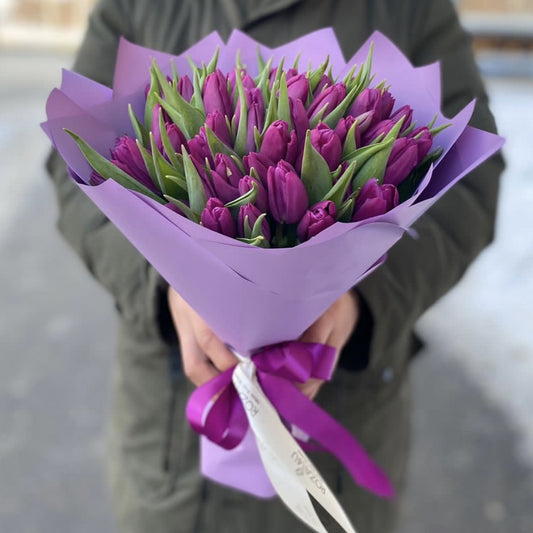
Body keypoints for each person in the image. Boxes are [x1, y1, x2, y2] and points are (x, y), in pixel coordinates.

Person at [46, 0, 504, 531]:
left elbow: (469, 180)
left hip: (345, 423)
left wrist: (364, 301)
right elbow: (74, 169)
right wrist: (163, 287)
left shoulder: (412, 10)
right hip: (174, 440)